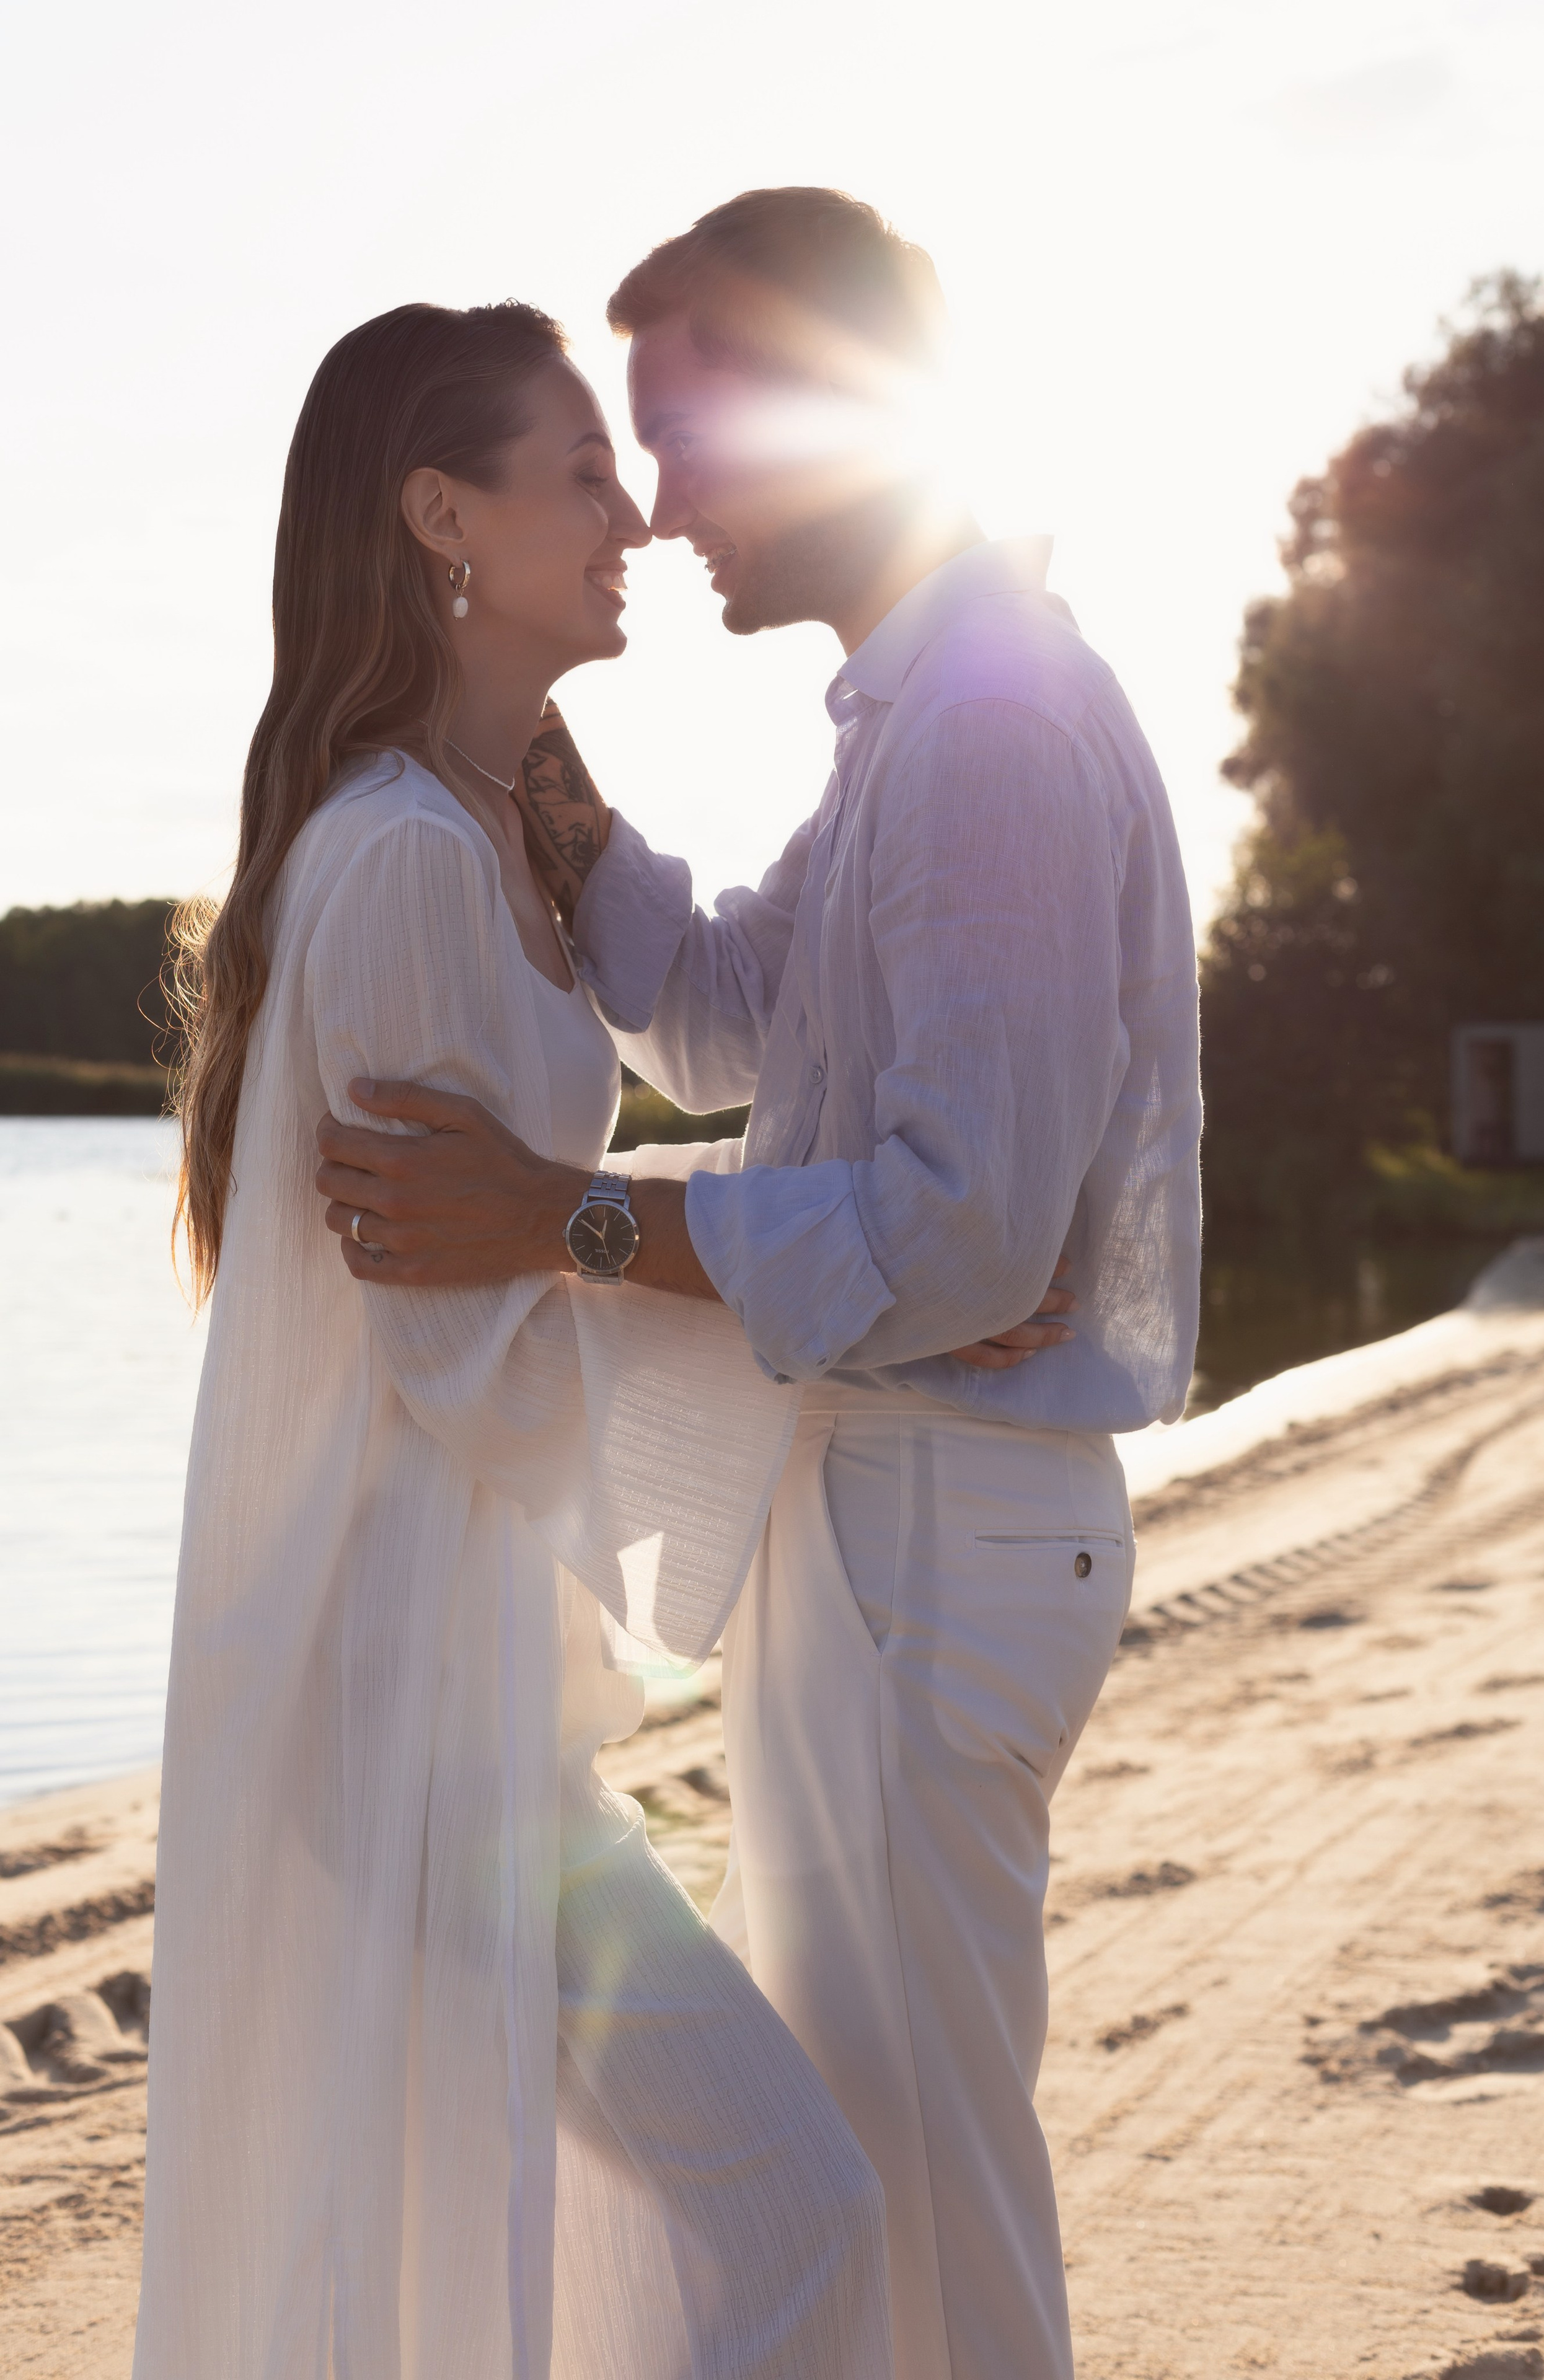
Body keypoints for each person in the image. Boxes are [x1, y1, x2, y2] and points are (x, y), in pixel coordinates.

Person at [314, 190, 1202, 2380]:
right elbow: (732, 1022)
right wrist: (558, 800)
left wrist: (564, 1219)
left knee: (926, 2192)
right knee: (880, 2170)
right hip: (884, 1519)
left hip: (937, 1528)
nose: (666, 499)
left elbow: (962, 1231)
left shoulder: (987, 722)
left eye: (690, 435)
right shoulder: (920, 709)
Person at [134, 298, 892, 2380]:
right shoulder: (393, 858)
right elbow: (450, 1356)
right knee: (785, 2207)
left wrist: (810, 1259)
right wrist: (852, 1333)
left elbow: (663, 1086)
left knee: (513, 2255)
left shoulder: (472, 834)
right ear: (440, 516)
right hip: (394, 1701)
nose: (635, 507)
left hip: (455, 1694)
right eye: (581, 468)